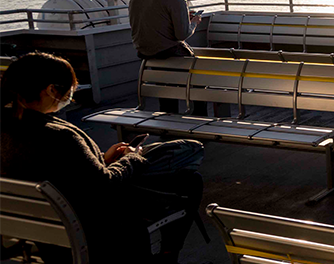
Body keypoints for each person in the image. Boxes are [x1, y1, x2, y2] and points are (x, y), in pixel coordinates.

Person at [0, 52, 205, 263]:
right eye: (71, 88)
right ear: (51, 90)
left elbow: (61, 167)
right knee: (190, 180)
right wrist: (131, 158)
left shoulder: (9, 126)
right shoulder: (58, 135)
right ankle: (168, 255)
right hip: (90, 222)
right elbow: (105, 184)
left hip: (37, 224)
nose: (71, 94)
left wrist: (100, 159)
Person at [129, 0, 204, 114]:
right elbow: (182, 34)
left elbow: (152, 24)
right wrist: (194, 22)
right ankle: (200, 116)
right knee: (199, 81)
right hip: (170, 52)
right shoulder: (177, 1)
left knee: (165, 86)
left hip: (146, 54)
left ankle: (169, 117)